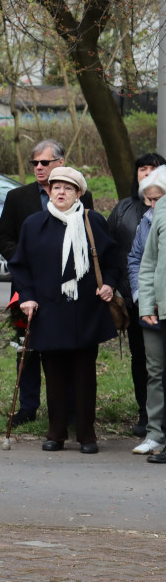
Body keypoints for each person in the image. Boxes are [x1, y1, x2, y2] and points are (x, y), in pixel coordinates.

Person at [9, 167, 120, 454]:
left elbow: (112, 261)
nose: (60, 192)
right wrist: (28, 298)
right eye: (56, 187)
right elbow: (21, 266)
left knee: (84, 374)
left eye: (68, 188)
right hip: (48, 311)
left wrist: (108, 284)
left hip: (86, 310)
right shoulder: (34, 224)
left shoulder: (92, 221)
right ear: (49, 191)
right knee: (54, 374)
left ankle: (86, 434)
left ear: (78, 193)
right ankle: (56, 432)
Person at [0, 139, 96, 425]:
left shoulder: (80, 197)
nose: (38, 167)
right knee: (26, 348)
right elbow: (3, 237)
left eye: (45, 162)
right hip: (27, 288)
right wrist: (27, 261)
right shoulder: (18, 197)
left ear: (60, 164)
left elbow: (88, 238)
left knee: (65, 347)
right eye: (34, 163)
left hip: (65, 288)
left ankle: (68, 409)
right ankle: (27, 407)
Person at [107, 152, 166, 437]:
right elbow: (115, 252)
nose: (148, 173)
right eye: (143, 168)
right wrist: (126, 292)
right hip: (133, 299)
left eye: (154, 168)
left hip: (162, 299)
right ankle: (145, 414)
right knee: (141, 358)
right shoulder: (124, 209)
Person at [130, 167, 166, 456]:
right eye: (149, 200)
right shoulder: (146, 223)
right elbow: (140, 262)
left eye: (158, 199)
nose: (152, 205)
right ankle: (155, 433)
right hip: (152, 308)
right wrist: (144, 301)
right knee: (154, 371)